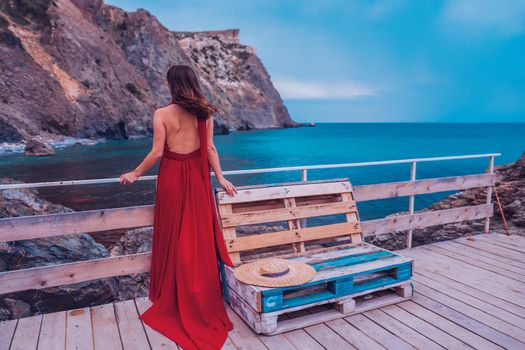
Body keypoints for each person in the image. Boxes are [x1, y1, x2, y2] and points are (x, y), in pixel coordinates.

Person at [119, 64, 237, 349]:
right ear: (193, 82)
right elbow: (209, 149)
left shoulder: (161, 114)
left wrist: (135, 173)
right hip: (197, 179)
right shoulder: (204, 113)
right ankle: (197, 293)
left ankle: (172, 293)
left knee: (172, 235)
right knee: (196, 238)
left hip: (172, 178)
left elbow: (158, 152)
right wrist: (220, 178)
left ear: (171, 85)